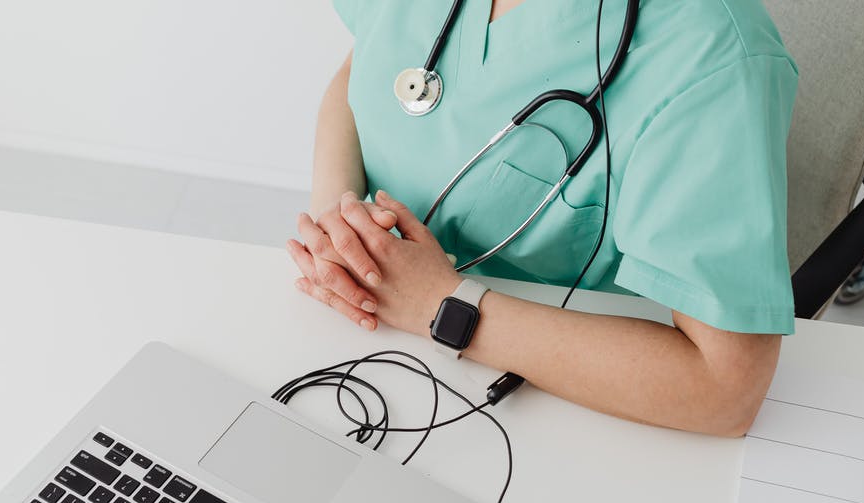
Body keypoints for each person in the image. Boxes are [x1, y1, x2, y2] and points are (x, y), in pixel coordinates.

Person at [286, 0, 799, 437]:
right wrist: (340, 217)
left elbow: (726, 389)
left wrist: (443, 308)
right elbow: (359, 71)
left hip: (549, 407)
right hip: (355, 344)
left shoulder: (712, 54)